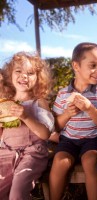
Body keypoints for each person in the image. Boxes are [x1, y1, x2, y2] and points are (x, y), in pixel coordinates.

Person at [49, 42, 97, 200]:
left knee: (90, 162)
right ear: (76, 66)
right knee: (59, 161)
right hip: (68, 140)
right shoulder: (63, 94)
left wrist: (90, 107)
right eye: (93, 65)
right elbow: (55, 126)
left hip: (93, 139)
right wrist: (66, 114)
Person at [0, 52, 54, 200]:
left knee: (17, 194)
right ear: (10, 74)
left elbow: (45, 134)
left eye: (30, 73)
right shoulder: (4, 103)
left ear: (38, 78)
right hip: (6, 153)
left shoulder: (39, 102)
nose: (24, 76)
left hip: (32, 153)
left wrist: (26, 116)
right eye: (18, 71)